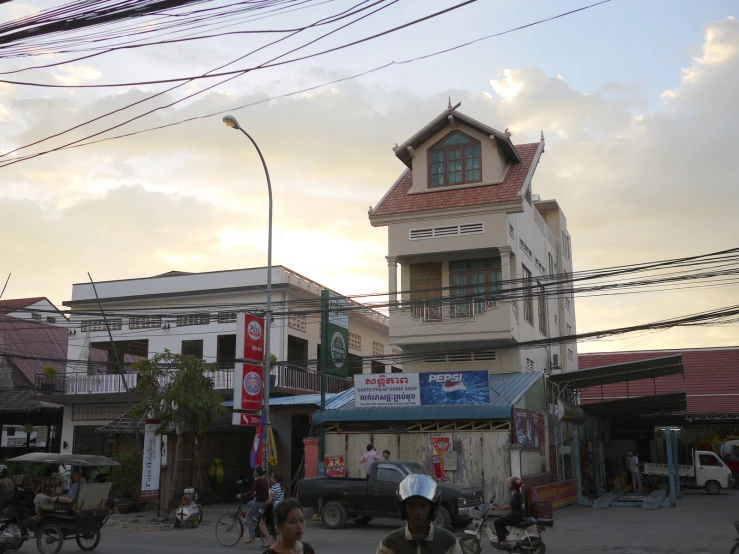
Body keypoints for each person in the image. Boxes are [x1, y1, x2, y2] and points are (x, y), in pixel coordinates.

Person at [376, 474, 462, 554]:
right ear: (404, 508)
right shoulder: (388, 544)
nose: (417, 512)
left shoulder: (449, 542)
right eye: (412, 506)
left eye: (423, 506)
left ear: (432, 508)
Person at [238, 467, 269, 544]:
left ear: (257, 473)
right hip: (264, 501)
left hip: (259, 502)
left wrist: (241, 495)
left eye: (254, 472)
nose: (253, 473)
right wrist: (253, 496)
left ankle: (252, 536)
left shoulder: (257, 481)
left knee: (248, 517)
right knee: (249, 504)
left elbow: (251, 492)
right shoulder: (264, 479)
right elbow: (260, 491)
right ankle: (258, 518)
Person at [493, 476, 525, 549]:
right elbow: (511, 505)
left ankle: (505, 542)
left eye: (509, 483)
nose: (508, 484)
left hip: (515, 517)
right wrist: (498, 506)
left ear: (513, 485)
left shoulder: (517, 496)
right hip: (517, 515)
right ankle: (505, 537)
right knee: (500, 519)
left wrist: (498, 508)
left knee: (497, 523)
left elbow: (509, 506)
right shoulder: (517, 494)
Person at [259, 472, 285, 547]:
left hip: (271, 507)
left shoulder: (274, 487)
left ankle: (268, 542)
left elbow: (270, 500)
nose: (270, 478)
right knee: (273, 525)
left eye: (271, 477)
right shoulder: (281, 486)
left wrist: (264, 504)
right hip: (279, 507)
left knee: (262, 524)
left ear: (275, 479)